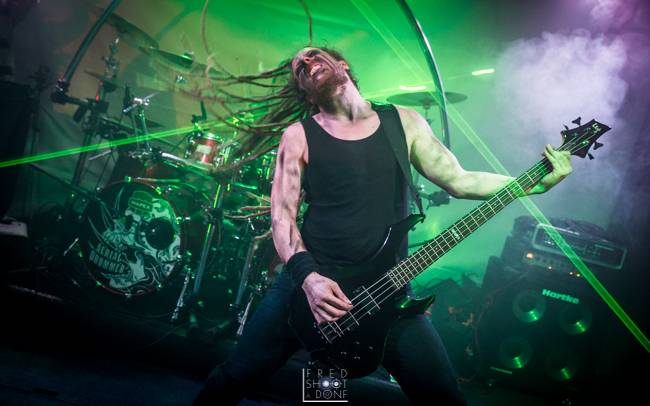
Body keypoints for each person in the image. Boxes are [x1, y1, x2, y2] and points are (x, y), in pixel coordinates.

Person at [194, 46, 572, 405]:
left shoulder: (403, 122)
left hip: (385, 293)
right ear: (305, 92)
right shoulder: (299, 135)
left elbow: (460, 181)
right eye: (299, 67)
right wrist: (309, 280)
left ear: (342, 64)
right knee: (236, 377)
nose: (307, 62)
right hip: (308, 290)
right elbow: (282, 218)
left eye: (313, 55)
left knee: (445, 399)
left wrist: (534, 183)